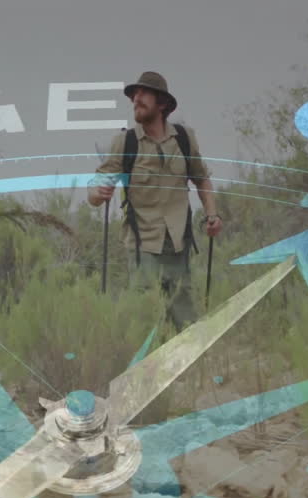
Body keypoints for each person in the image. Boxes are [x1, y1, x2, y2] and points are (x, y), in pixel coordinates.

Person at [88, 71, 223, 332]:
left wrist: (212, 215)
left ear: (162, 103)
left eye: (142, 94)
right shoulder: (125, 142)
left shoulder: (184, 139)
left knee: (187, 324)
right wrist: (98, 193)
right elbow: (96, 187)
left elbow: (202, 180)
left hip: (178, 246)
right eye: (133, 95)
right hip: (142, 248)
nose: (135, 99)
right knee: (146, 323)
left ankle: (193, 371)